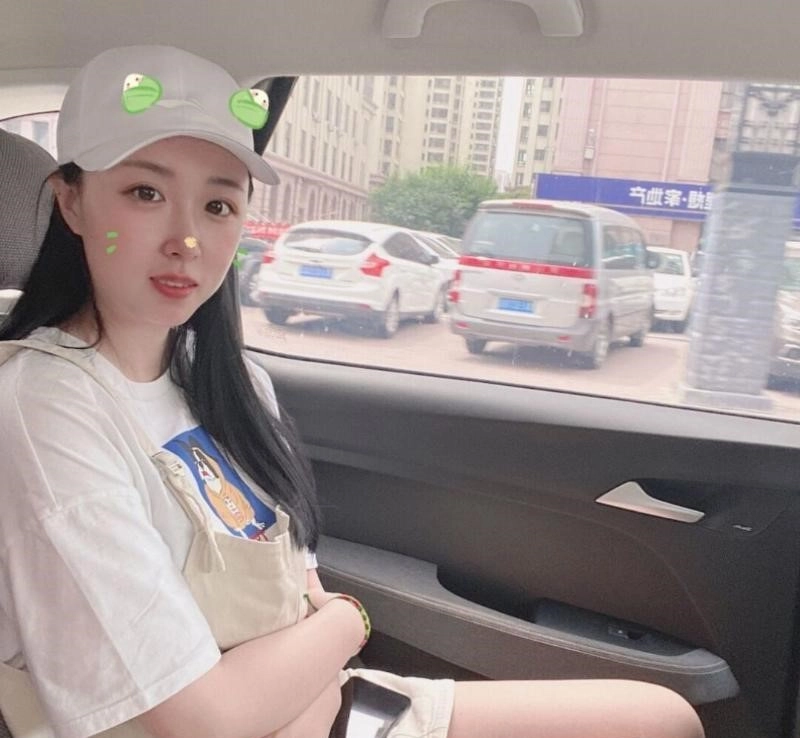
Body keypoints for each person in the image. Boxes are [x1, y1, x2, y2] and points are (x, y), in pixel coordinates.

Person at [0, 45, 705, 738]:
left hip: (323, 703)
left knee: (662, 718)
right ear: (72, 202)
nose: (187, 239)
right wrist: (350, 621)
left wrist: (321, 652)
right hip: (274, 712)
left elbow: (298, 588)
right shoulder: (44, 407)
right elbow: (205, 719)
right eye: (145, 193)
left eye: (217, 204)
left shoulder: (230, 381)